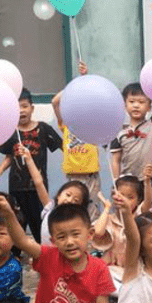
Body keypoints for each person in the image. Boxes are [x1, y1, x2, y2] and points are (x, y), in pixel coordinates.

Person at [0, 201, 115, 303]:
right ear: (53, 240)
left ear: (90, 234)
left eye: (76, 234)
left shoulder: (99, 267)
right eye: (61, 237)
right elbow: (22, 241)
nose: (70, 242)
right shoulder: (48, 256)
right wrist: (8, 215)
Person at [0, 87, 63, 242]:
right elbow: (9, 157)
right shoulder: (11, 132)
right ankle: (17, 253)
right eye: (17, 107)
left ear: (32, 108)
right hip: (16, 186)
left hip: (38, 187)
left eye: (24, 106)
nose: (21, 111)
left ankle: (42, 249)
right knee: (17, 220)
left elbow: (64, 146)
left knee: (40, 220)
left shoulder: (44, 129)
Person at [12, 146, 91, 246]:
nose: (70, 200)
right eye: (68, 194)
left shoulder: (77, 222)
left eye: (76, 200)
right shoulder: (50, 209)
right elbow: (39, 183)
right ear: (58, 195)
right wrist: (28, 159)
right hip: (46, 256)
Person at [52, 61, 101, 219]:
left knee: (91, 209)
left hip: (90, 175)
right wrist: (75, 85)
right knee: (73, 209)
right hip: (72, 175)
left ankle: (92, 240)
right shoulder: (66, 124)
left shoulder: (93, 122)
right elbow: (55, 101)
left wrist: (85, 79)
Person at [111, 83, 152, 210]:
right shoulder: (119, 132)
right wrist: (116, 182)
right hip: (128, 183)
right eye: (131, 101)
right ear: (125, 105)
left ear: (149, 107)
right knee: (129, 216)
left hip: (151, 179)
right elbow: (116, 160)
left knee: (150, 216)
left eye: (141, 102)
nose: (136, 105)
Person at [93, 173, 151, 296]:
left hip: (136, 270)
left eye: (130, 197)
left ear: (138, 200)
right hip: (116, 269)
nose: (124, 200)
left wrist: (147, 182)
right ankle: (124, 293)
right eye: (120, 195)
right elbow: (97, 232)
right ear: (114, 196)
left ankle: (126, 292)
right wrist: (107, 208)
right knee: (100, 273)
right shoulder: (110, 218)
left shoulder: (139, 216)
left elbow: (148, 202)